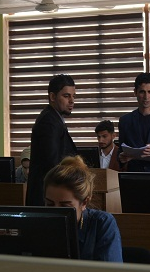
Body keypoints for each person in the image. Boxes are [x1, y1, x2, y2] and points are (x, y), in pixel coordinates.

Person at [42, 156, 122, 262]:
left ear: (84, 203)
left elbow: (109, 271)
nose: (56, 213)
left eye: (65, 207)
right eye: (49, 204)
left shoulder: (102, 223)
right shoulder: (39, 224)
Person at [27, 74, 78, 206]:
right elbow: (53, 164)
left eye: (73, 96)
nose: (72, 101)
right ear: (53, 97)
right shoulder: (49, 122)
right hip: (46, 199)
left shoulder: (54, 119)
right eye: (66, 96)